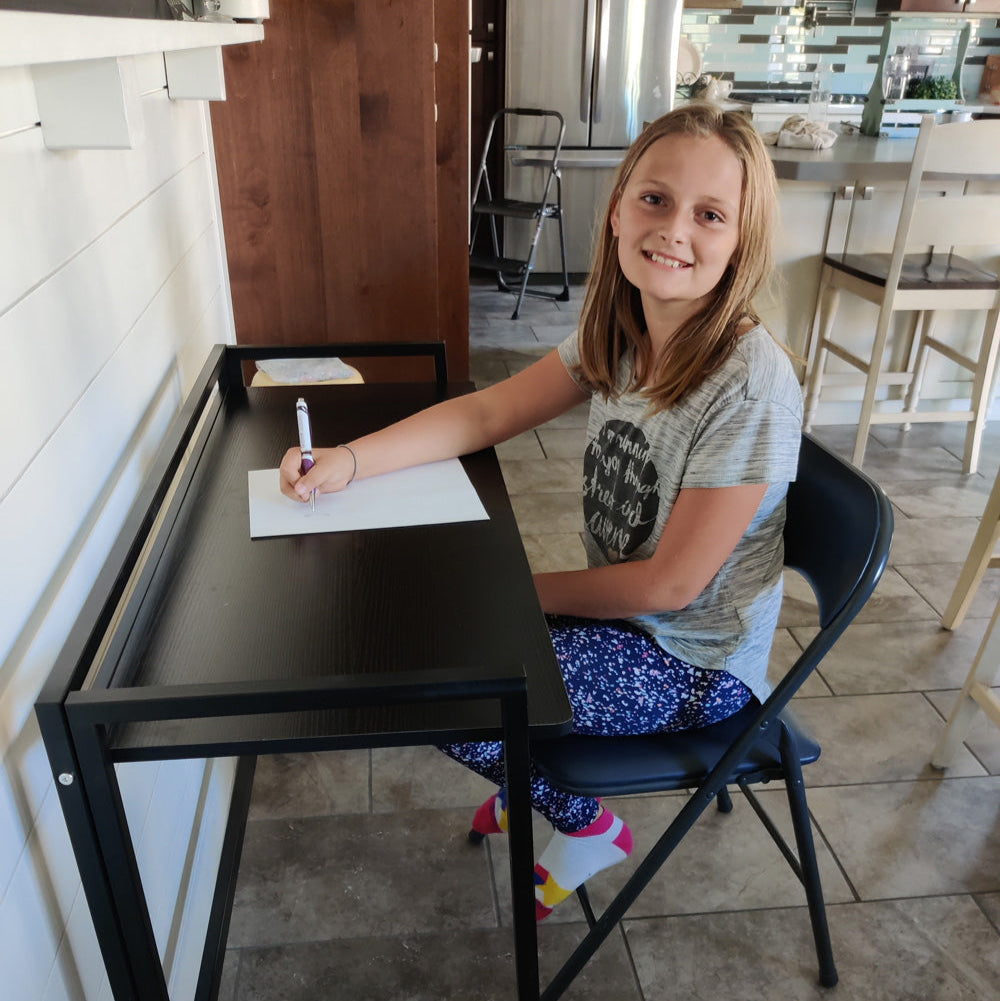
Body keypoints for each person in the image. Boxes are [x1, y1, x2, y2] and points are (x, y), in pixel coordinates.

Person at [280, 102, 803, 921]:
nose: (673, 230)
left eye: (710, 215)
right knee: (430, 646)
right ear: (619, 203)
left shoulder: (749, 382)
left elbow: (670, 587)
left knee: (444, 687)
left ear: (743, 238)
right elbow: (486, 414)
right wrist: (349, 460)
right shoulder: (624, 327)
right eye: (655, 199)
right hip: (631, 629)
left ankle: (583, 822)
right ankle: (534, 773)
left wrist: (514, 587)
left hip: (694, 666)